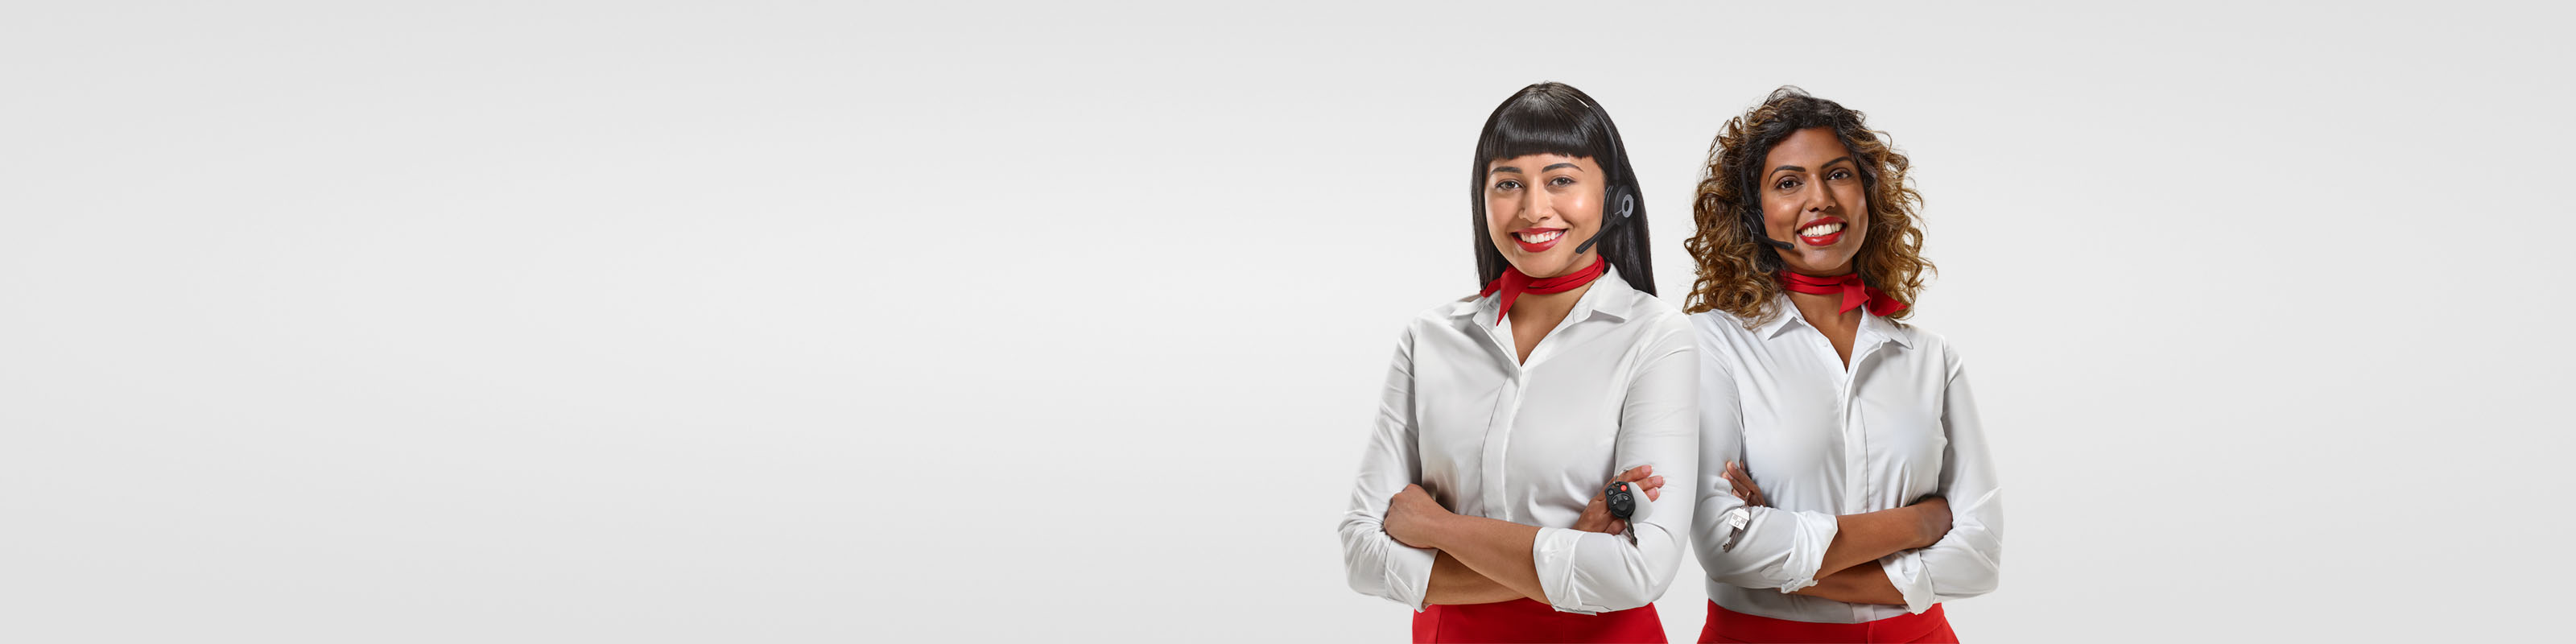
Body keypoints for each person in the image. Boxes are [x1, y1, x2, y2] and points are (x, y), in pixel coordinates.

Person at [1338, 81, 1699, 643]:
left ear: (1613, 197)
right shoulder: (1429, 338)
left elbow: (1638, 571)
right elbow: (1362, 556)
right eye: (1508, 184)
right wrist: (1569, 544)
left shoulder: (1657, 338)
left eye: (1561, 180)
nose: (1533, 209)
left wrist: (1441, 529)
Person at [1679, 87, 2003, 643]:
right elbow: (1726, 550)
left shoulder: (1930, 358)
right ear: (1755, 214)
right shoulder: (1713, 345)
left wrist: (1789, 564)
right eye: (1788, 183)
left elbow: (1980, 558)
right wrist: (1922, 523)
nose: (1819, 199)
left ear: (1867, 194)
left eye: (1838, 174)